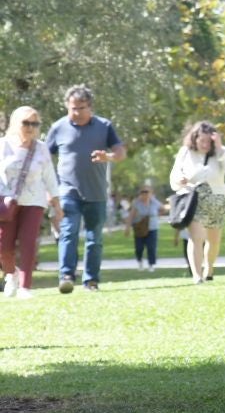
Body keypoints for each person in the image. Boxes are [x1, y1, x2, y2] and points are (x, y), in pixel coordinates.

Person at [45, 85, 126, 293]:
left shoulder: (104, 126)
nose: (77, 112)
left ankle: (91, 281)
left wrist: (108, 157)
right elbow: (44, 158)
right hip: (67, 191)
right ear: (67, 106)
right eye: (73, 108)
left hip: (96, 192)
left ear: (90, 107)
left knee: (94, 238)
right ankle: (66, 276)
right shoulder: (58, 127)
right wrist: (49, 189)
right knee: (68, 232)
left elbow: (120, 153)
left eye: (81, 108)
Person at [1, 106, 64, 299]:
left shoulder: (41, 148)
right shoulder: (3, 145)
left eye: (34, 124)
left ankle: (25, 287)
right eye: (26, 123)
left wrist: (57, 204)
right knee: (4, 246)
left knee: (28, 243)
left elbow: (50, 177)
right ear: (15, 123)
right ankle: (11, 273)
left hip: (34, 201)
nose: (30, 127)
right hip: (7, 202)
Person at [170, 122, 225, 284]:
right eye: (202, 141)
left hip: (216, 200)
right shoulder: (185, 152)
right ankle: (197, 275)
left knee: (214, 241)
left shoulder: (220, 152)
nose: (205, 145)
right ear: (194, 139)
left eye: (209, 141)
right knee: (196, 238)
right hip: (194, 200)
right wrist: (180, 180)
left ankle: (209, 268)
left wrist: (220, 148)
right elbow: (175, 175)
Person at [126, 183, 163, 271]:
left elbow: (163, 209)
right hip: (140, 228)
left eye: (147, 192)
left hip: (152, 227)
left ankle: (151, 264)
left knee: (151, 247)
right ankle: (140, 261)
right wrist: (127, 227)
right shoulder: (136, 203)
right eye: (142, 192)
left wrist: (157, 215)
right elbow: (131, 215)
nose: (144, 194)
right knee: (139, 247)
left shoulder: (154, 202)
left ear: (151, 193)